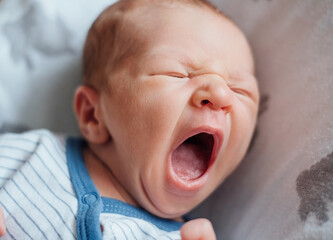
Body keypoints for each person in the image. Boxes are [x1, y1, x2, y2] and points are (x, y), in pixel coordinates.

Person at [0, 0, 259, 239]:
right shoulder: (33, 156)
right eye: (177, 74)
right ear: (94, 115)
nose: (221, 94)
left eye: (240, 91)